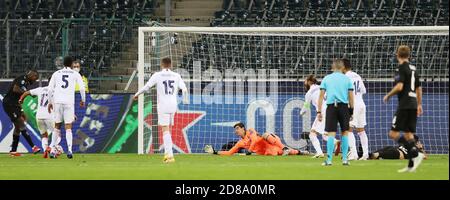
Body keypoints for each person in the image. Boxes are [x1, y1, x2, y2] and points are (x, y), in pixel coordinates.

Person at [133, 57, 189, 163]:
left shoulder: (157, 75)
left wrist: (137, 94)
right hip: (173, 105)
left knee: (165, 129)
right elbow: (184, 88)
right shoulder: (176, 75)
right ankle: (168, 154)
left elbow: (147, 87)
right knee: (169, 129)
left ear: (161, 65)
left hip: (163, 105)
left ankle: (169, 155)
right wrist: (186, 100)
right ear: (171, 65)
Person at [383, 45, 424, 173]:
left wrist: (388, 95)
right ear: (409, 55)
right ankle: (411, 165)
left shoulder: (401, 68)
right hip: (413, 104)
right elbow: (419, 88)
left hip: (404, 104)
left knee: (393, 133)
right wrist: (419, 104)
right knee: (408, 134)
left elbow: (400, 86)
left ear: (397, 55)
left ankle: (415, 153)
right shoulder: (413, 69)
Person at [47, 56, 86, 159]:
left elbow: (50, 90)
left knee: (57, 126)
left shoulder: (56, 74)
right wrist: (83, 100)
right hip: (69, 102)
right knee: (68, 127)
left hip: (58, 102)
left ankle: (52, 149)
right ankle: (69, 150)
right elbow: (82, 88)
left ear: (63, 63)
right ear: (72, 64)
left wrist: (50, 102)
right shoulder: (75, 74)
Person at [318, 59, 355, 166]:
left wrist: (319, 111)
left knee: (331, 133)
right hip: (343, 107)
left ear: (332, 68)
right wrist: (351, 111)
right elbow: (351, 96)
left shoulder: (327, 78)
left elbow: (321, 96)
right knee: (345, 133)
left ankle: (329, 160)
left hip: (331, 107)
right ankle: (344, 159)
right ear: (343, 68)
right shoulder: (347, 79)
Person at [204, 122, 308, 156]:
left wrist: (249, 150)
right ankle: (302, 152)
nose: (236, 131)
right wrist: (215, 152)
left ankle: (284, 148)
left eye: (237, 129)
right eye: (235, 130)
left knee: (265, 134)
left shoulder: (250, 131)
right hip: (267, 151)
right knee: (292, 152)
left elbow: (254, 140)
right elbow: (230, 152)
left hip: (271, 142)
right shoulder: (240, 143)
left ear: (243, 128)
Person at [2, 69, 41, 156]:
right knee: (21, 123)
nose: (35, 80)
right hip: (9, 104)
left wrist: (22, 110)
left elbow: (19, 99)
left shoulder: (26, 83)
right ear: (32, 75)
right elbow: (15, 89)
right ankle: (33, 146)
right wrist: (27, 93)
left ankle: (13, 151)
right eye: (35, 78)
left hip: (15, 105)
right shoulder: (22, 79)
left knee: (17, 127)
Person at [300, 75, 340, 158]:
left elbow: (306, 107)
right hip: (332, 109)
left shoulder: (309, 93)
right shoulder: (322, 87)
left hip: (322, 112)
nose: (305, 84)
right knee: (325, 135)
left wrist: (301, 113)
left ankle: (320, 152)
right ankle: (335, 142)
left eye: (305, 82)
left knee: (312, 134)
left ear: (309, 82)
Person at [19, 77, 55, 158]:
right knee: (57, 133)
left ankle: (45, 149)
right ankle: (52, 150)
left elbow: (26, 93)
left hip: (39, 116)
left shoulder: (41, 89)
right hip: (49, 115)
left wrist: (21, 100)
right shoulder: (57, 91)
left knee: (44, 134)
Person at [342, 58, 369, 160]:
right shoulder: (357, 75)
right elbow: (364, 90)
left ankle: (354, 154)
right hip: (361, 104)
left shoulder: (345, 77)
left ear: (343, 67)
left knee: (348, 129)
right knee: (361, 130)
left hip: (352, 105)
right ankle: (365, 154)